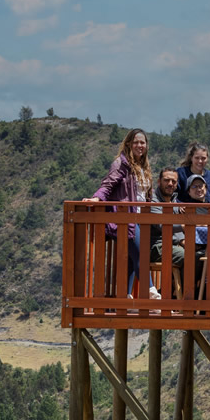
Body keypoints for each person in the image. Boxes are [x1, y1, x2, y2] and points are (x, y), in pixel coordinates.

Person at [83, 128, 160, 301]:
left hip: (141, 218)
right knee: (140, 255)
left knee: (133, 259)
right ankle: (152, 292)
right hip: (125, 219)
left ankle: (123, 296)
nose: (140, 145)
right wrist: (96, 198)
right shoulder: (121, 164)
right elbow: (108, 185)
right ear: (128, 144)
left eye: (143, 142)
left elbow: (147, 196)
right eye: (136, 142)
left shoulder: (144, 167)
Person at [148, 167, 186, 270]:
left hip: (173, 245)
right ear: (159, 181)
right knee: (189, 256)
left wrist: (183, 240)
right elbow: (161, 224)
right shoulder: (152, 200)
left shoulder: (174, 201)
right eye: (166, 180)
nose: (170, 183)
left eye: (173, 181)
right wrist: (183, 226)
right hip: (157, 247)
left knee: (204, 254)